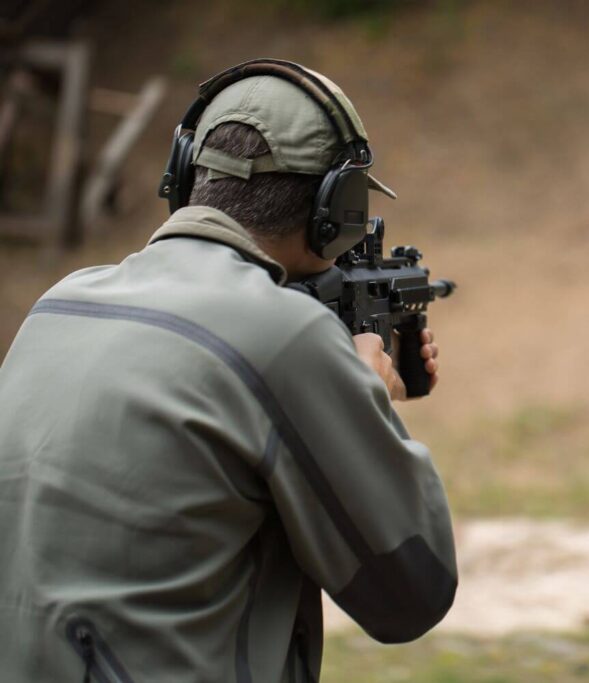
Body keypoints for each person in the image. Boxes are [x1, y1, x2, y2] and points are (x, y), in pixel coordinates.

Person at [0, 60, 457, 681]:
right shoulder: (285, 333)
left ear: (186, 175)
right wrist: (364, 400)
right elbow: (413, 593)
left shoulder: (60, 301)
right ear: (336, 206)